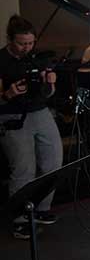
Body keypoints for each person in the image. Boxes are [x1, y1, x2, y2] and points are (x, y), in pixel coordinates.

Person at [0, 16, 63, 240]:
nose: (26, 47)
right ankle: (19, 219)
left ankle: (41, 209)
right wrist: (8, 94)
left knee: (53, 161)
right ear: (10, 40)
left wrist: (51, 83)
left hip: (40, 111)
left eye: (30, 43)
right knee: (23, 168)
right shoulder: (1, 60)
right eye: (21, 43)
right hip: (12, 115)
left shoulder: (37, 59)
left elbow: (48, 93)